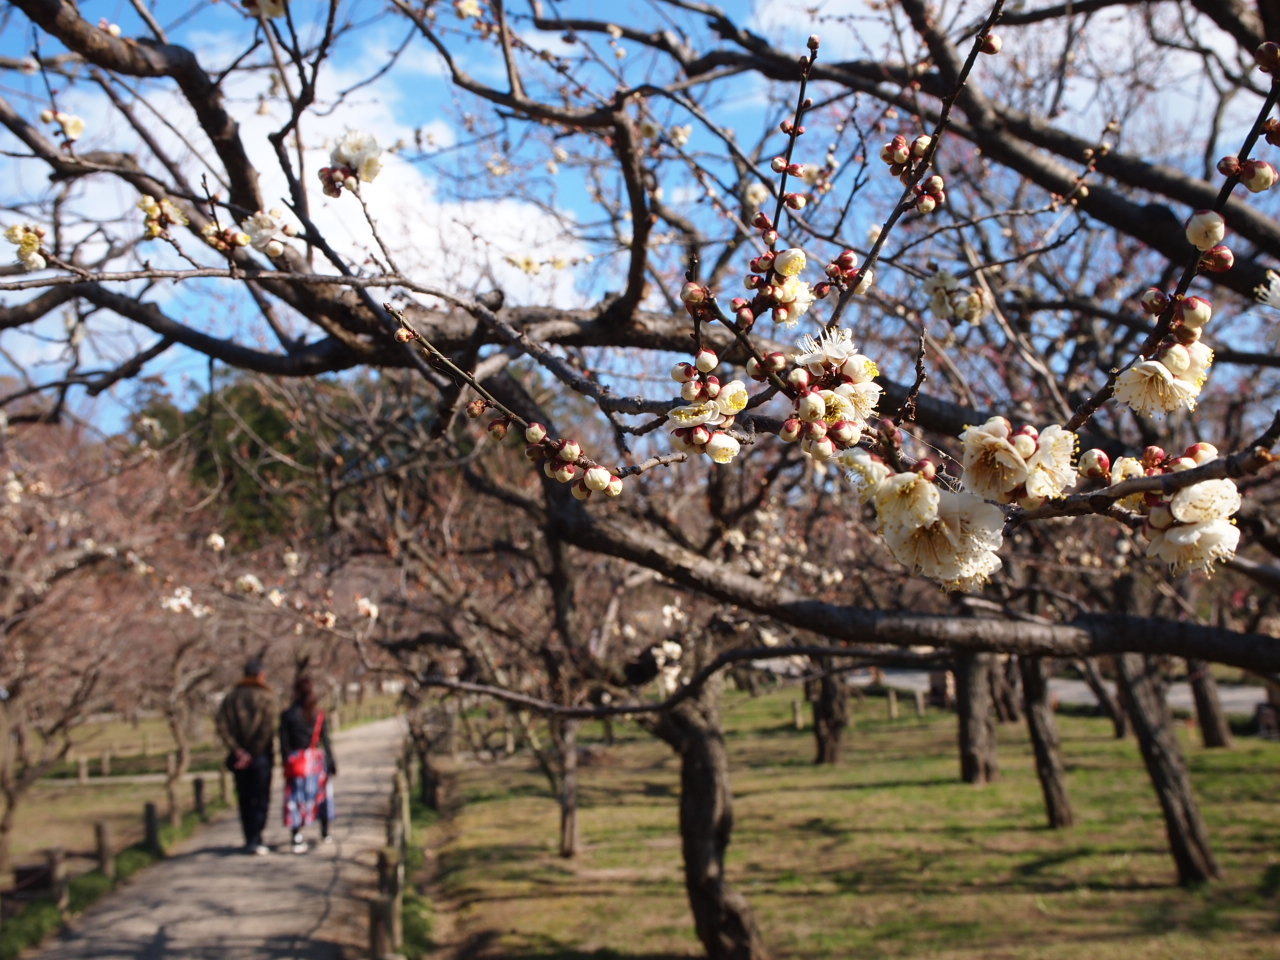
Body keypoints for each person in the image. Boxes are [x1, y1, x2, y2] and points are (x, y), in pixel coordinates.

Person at [216, 657, 277, 855]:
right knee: (261, 797)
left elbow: (222, 726)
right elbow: (268, 728)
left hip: (239, 757)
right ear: (260, 675)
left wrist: (237, 750)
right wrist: (253, 752)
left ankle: (249, 837)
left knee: (244, 797)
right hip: (260, 758)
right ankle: (257, 837)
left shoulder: (231, 697)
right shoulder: (266, 697)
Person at [279, 674, 336, 853]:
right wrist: (331, 761)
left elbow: (283, 743)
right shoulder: (318, 715)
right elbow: (326, 740)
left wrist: (285, 762)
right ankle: (325, 832)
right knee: (321, 796)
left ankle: (297, 835)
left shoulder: (287, 715)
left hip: (296, 762)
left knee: (296, 798)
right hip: (316, 762)